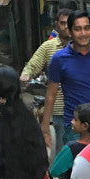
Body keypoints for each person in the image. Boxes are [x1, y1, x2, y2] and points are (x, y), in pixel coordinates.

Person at [42, 12, 90, 154]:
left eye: (86, 28)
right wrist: (45, 129)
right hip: (74, 127)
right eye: (77, 29)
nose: (83, 33)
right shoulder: (59, 58)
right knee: (75, 171)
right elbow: (51, 94)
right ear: (69, 31)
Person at [21, 9, 72, 153]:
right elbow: (33, 64)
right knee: (63, 150)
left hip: (81, 107)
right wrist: (26, 75)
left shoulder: (82, 46)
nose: (66, 27)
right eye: (62, 23)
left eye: (69, 24)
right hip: (59, 108)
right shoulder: (48, 47)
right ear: (57, 25)